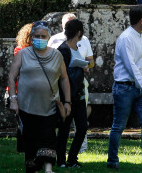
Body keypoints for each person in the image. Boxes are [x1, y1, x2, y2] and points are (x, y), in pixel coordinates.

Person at [8, 21, 71, 173]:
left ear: (48, 37)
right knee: (30, 140)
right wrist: (13, 99)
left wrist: (67, 101)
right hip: (26, 105)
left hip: (49, 105)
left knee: (48, 136)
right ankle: (33, 169)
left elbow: (64, 79)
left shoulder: (57, 55)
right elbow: (11, 76)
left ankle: (48, 169)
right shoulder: (23, 54)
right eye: (37, 36)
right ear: (31, 37)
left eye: (43, 36)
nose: (40, 38)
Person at [107, 6, 142, 171]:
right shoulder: (126, 38)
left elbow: (141, 64)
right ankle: (112, 160)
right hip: (125, 87)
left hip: (141, 88)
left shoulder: (140, 35)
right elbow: (131, 66)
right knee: (119, 125)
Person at [55, 19, 89, 168]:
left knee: (82, 127)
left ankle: (72, 158)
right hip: (67, 96)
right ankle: (61, 160)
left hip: (79, 95)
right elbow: (62, 74)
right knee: (64, 129)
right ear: (79, 32)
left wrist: (83, 68)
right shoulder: (63, 50)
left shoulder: (76, 48)